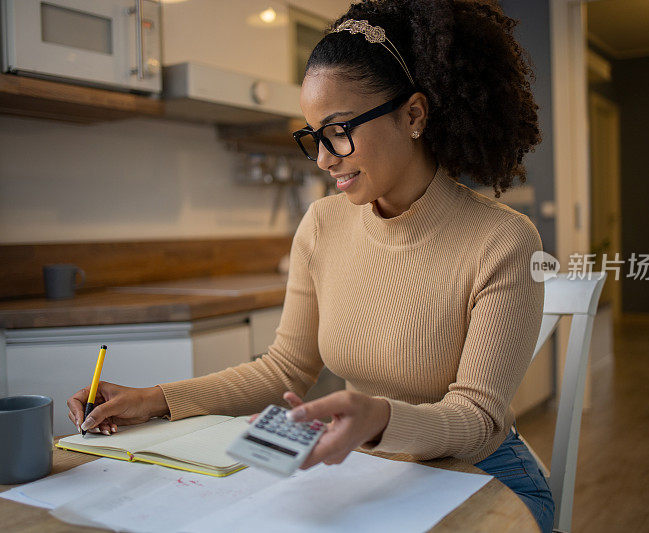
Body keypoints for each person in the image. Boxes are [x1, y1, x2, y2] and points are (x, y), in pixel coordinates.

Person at [67, 1, 553, 530]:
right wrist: (155, 399)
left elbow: (478, 421)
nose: (323, 158)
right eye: (313, 136)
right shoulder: (323, 225)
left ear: (413, 115)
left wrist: (378, 418)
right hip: (370, 470)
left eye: (338, 130)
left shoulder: (503, 241)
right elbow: (284, 368)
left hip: (483, 478)